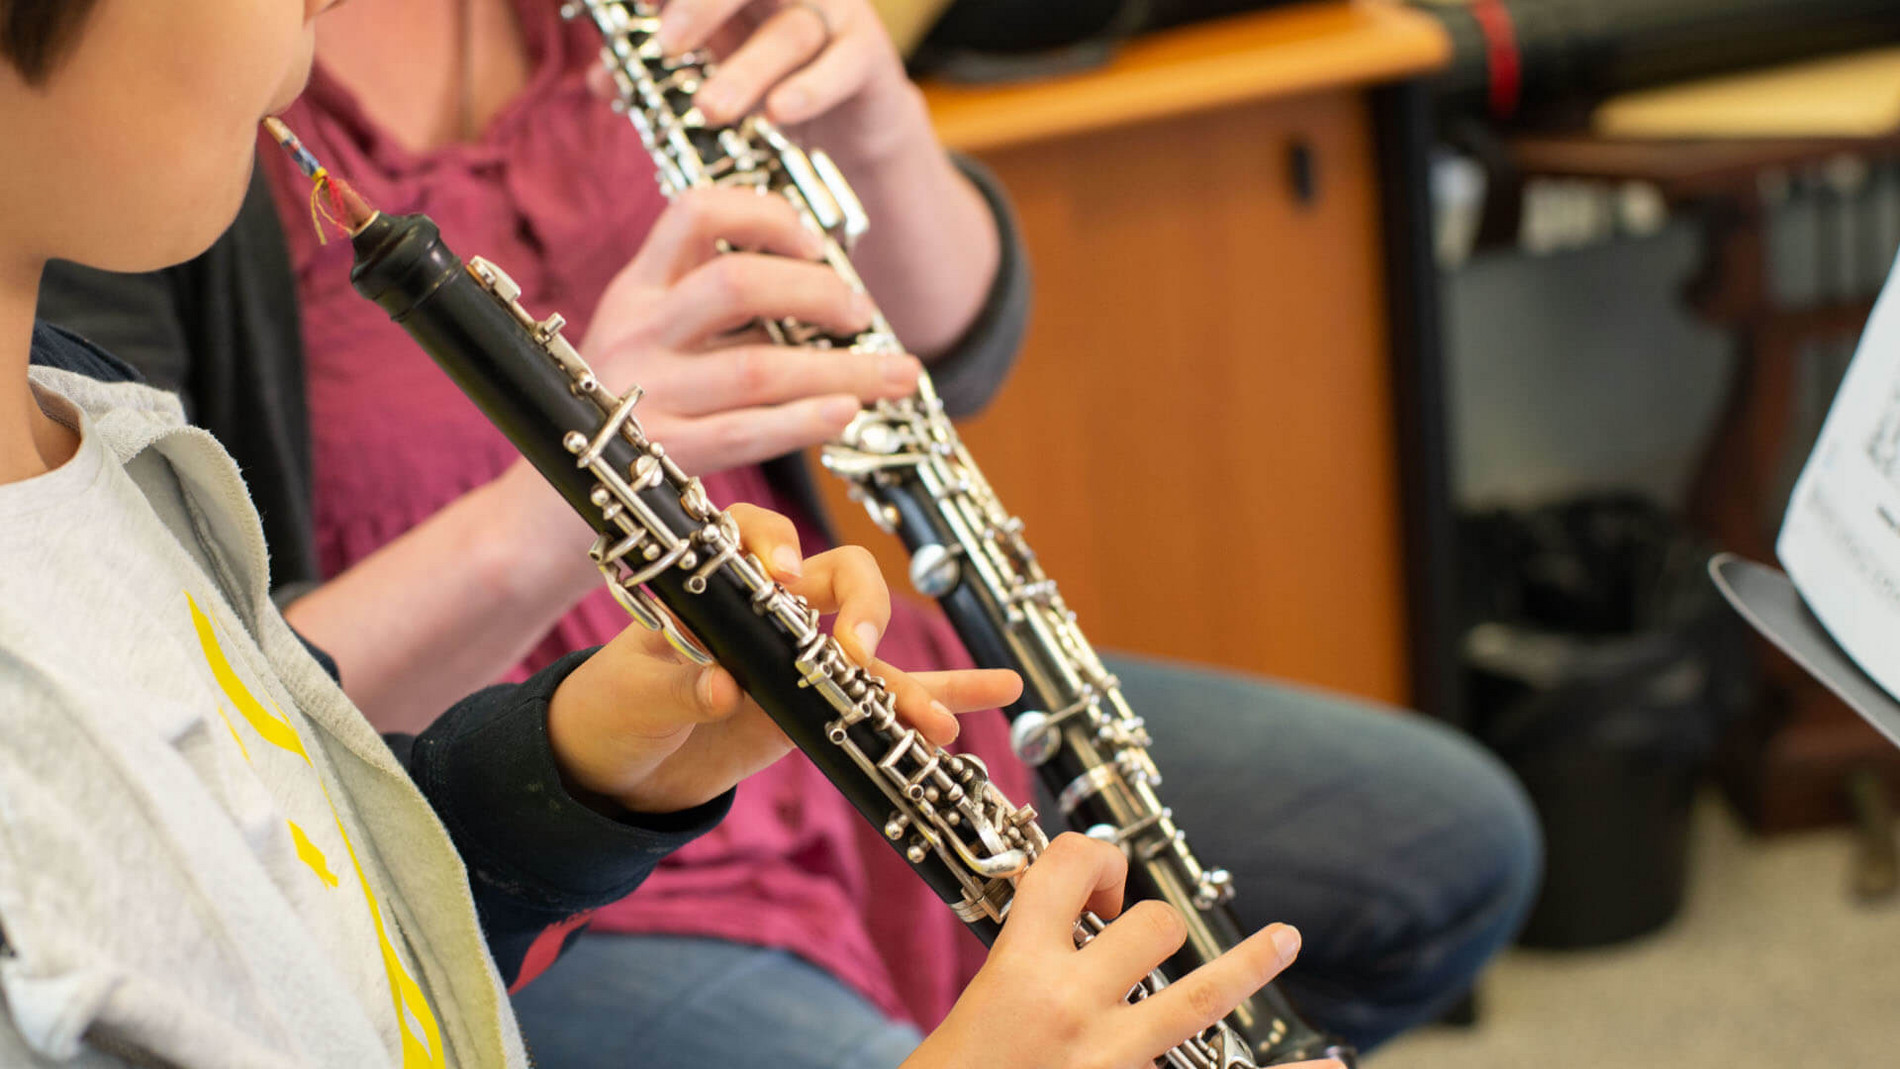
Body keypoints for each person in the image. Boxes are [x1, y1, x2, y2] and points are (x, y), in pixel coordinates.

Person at [37, 0, 1542, 1061]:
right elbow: (274, 746)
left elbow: (941, 354)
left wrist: (878, 124)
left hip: (730, 704)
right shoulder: (146, 165)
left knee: (1442, 846)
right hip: (580, 843)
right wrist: (568, 476)